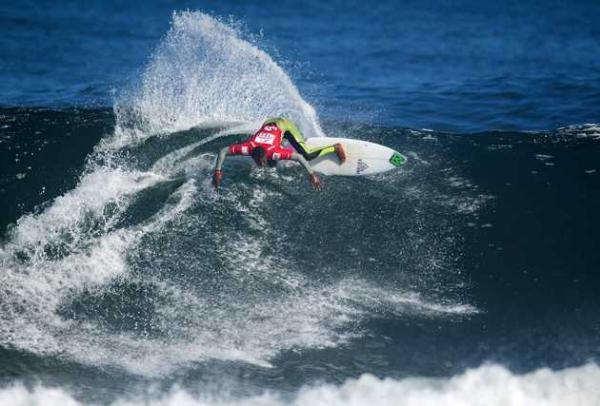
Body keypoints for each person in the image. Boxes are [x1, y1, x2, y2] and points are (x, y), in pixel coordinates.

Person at [212, 117, 345, 191]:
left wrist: (312, 174)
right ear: (252, 154)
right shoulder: (247, 148)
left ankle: (334, 148)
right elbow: (223, 150)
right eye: (259, 162)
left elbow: (299, 158)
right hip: (268, 123)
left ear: (265, 155)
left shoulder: (273, 152)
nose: (261, 164)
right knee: (272, 165)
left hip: (284, 125)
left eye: (262, 161)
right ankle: (282, 143)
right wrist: (217, 171)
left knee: (307, 155)